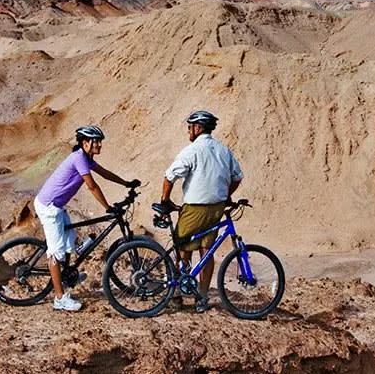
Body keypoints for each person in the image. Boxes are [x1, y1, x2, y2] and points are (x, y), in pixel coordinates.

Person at [34, 125, 138, 311]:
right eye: (96, 141)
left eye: (100, 141)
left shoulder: (86, 159)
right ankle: (59, 298)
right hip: (49, 207)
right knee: (56, 251)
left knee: (69, 241)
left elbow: (104, 173)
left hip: (57, 206)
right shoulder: (79, 158)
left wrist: (125, 183)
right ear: (85, 143)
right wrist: (107, 208)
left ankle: (65, 277)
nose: (99, 145)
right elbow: (92, 186)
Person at [159, 110, 243, 312]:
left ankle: (177, 295)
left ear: (198, 128)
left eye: (190, 127)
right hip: (216, 208)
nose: (189, 131)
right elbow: (238, 177)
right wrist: (226, 195)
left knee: (183, 249)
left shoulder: (192, 150)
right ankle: (202, 298)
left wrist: (165, 201)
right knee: (207, 251)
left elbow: (170, 176)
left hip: (194, 208)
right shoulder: (223, 150)